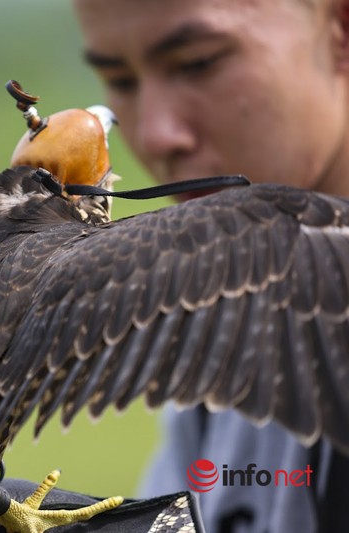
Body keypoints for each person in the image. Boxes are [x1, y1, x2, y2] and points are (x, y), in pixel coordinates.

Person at [73, 0, 349, 531]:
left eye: (198, 63)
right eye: (120, 81)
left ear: (340, 30)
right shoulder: (234, 299)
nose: (155, 135)